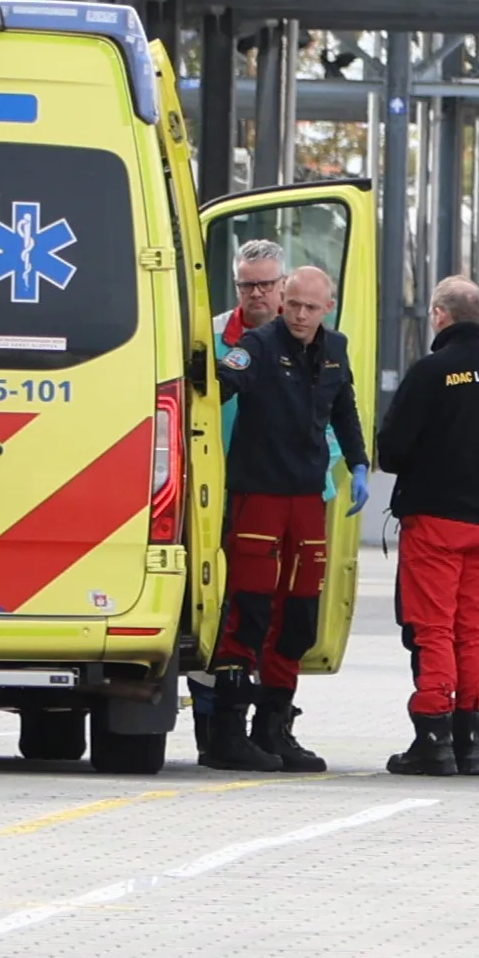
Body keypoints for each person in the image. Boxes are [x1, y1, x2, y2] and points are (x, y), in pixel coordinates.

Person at [205, 264, 368, 773]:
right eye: (292, 303)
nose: (299, 314)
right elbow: (222, 383)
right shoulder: (257, 344)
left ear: (328, 307)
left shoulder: (335, 350)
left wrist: (361, 463)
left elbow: (345, 409)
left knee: (298, 613)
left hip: (307, 499)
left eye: (310, 307)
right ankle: (228, 730)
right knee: (249, 607)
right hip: (259, 495)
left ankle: (276, 728)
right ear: (282, 302)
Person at [376, 276, 479, 776]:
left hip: (435, 522)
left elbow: (393, 450)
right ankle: (473, 737)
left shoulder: (430, 372)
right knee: (474, 630)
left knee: (433, 628)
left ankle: (433, 734)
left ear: (440, 316)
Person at [192, 239, 292, 759]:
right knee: (220, 609)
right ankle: (215, 728)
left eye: (265, 284)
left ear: (283, 286)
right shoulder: (209, 338)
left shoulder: (302, 340)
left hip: (278, 495)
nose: (255, 293)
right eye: (245, 284)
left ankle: (270, 723)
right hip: (217, 496)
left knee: (276, 612)